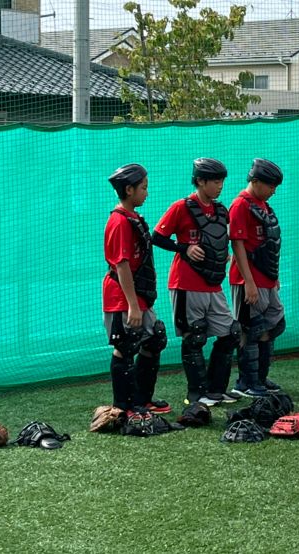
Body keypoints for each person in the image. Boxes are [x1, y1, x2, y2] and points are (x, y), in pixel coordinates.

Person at [152, 158, 240, 407]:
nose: (220, 186)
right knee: (195, 337)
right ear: (200, 181)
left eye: (222, 181)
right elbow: (157, 237)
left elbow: (220, 240)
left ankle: (216, 390)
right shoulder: (181, 207)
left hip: (213, 285)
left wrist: (221, 255)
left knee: (231, 333)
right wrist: (184, 248)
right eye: (215, 181)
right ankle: (197, 394)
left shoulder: (221, 210)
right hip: (186, 283)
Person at [103, 164, 170, 415]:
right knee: (125, 347)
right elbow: (121, 266)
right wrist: (132, 305)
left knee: (154, 339)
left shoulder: (134, 218)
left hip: (138, 296)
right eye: (143, 188)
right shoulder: (119, 221)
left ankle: (142, 399)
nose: (147, 193)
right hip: (122, 298)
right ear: (129, 190)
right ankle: (124, 406)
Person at [228, 159, 286, 398]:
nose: (274, 190)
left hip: (266, 279)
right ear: (255, 181)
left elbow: (270, 245)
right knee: (250, 329)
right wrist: (248, 282)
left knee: (274, 324)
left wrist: (274, 276)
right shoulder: (240, 205)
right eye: (271, 185)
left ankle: (259, 377)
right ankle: (246, 383)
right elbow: (237, 244)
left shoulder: (263, 205)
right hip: (247, 281)